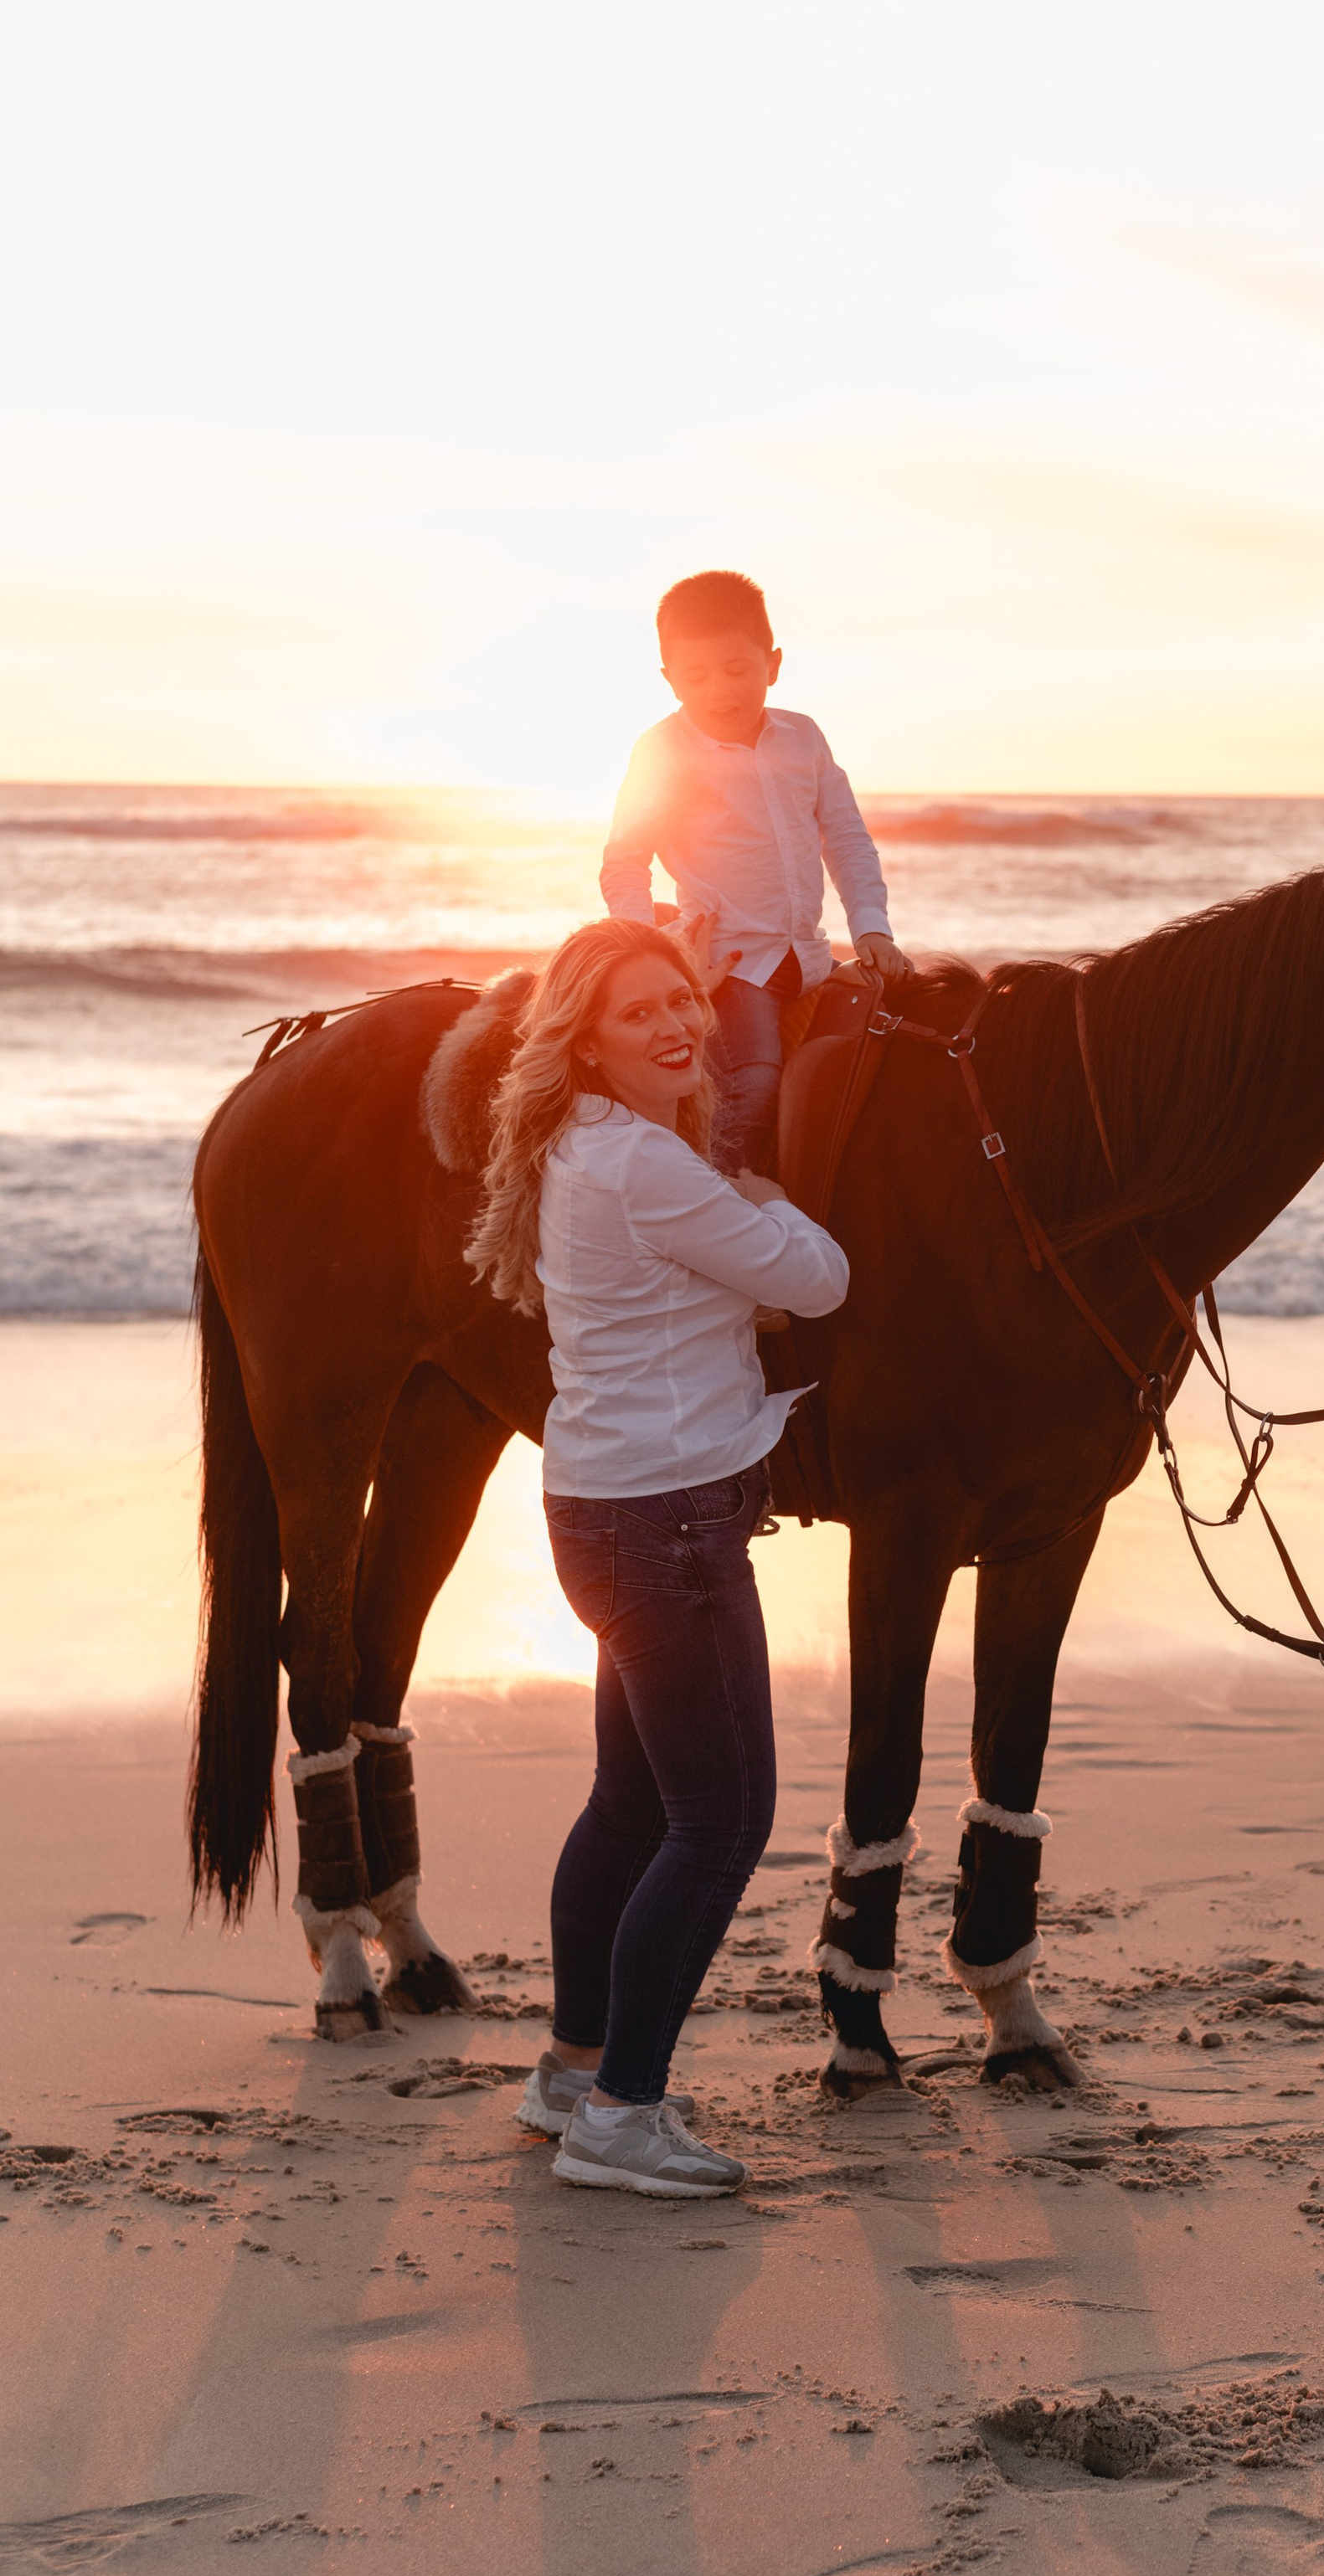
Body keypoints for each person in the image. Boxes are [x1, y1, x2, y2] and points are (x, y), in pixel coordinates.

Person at [465, 916, 849, 2197]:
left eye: (683, 997)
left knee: (633, 1809)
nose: (680, 1023)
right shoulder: (652, 1170)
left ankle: (575, 2072)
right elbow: (818, 1282)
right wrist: (770, 1200)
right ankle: (623, 2115)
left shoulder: (582, 1146)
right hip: (671, 1530)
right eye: (642, 1013)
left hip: (601, 1515)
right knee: (720, 1821)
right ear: (586, 1042)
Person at [597, 568, 914, 1172]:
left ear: (772, 663)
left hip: (812, 960)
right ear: (669, 681)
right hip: (735, 967)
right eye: (696, 677)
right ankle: (727, 1209)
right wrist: (648, 954)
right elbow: (625, 859)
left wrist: (872, 927)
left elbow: (846, 836)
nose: (719, 691)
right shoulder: (663, 751)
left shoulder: (803, 738)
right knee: (754, 1085)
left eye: (737, 670)